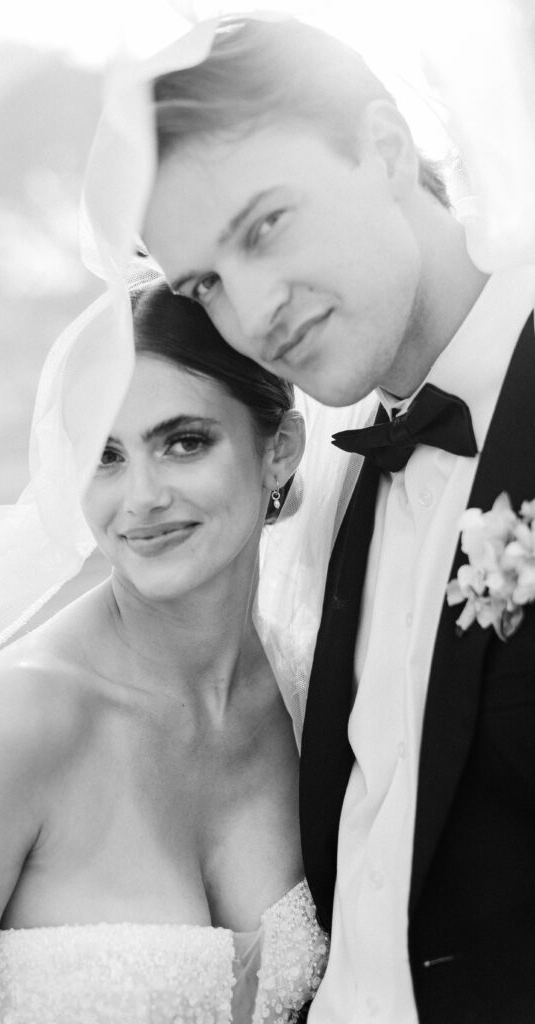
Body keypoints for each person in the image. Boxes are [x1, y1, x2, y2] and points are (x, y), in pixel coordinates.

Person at [141, 15, 535, 1024]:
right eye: (205, 284)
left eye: (265, 225)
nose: (251, 315)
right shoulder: (330, 499)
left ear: (385, 149)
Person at [0, 276, 329, 1024]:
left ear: (281, 449)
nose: (141, 496)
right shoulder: (15, 722)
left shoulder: (309, 698)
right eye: (105, 456)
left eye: (183, 442)